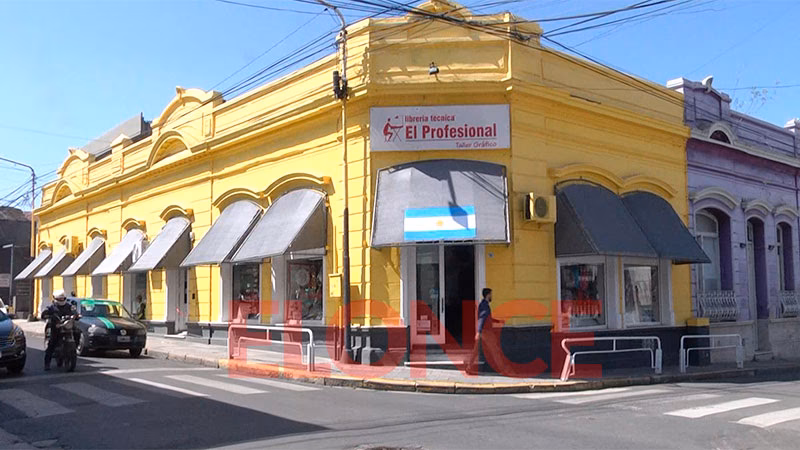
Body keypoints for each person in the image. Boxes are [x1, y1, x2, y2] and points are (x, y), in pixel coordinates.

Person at [41, 290, 78, 371]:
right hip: (56, 327)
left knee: (77, 332)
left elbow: (75, 312)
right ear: (55, 298)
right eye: (59, 299)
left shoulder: (69, 306)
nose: (61, 300)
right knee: (52, 343)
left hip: (67, 326)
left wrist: (77, 316)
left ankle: (75, 349)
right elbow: (44, 313)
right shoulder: (52, 307)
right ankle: (47, 364)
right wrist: (46, 315)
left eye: (62, 299)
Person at [465, 288, 493, 375]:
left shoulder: (484, 304)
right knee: (495, 350)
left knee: (477, 350)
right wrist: (478, 331)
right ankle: (503, 368)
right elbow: (482, 318)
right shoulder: (484, 305)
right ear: (488, 295)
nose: (492, 296)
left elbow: (486, 318)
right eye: (491, 294)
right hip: (485, 332)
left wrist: (497, 321)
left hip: (484, 331)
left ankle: (469, 366)